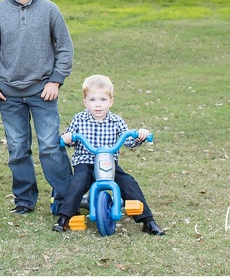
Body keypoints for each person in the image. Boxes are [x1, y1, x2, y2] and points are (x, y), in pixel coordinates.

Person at [0, 0, 75, 215]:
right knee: (17, 148)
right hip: (9, 94)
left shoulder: (49, 10)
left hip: (43, 92)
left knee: (49, 145)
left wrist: (56, 80)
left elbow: (65, 49)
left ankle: (65, 196)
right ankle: (24, 198)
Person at [57, 74, 165, 235]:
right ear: (85, 102)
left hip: (109, 165)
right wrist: (67, 138)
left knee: (128, 182)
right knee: (78, 182)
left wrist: (139, 136)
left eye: (103, 100)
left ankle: (148, 221)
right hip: (85, 162)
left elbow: (128, 140)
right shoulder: (79, 119)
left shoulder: (116, 121)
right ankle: (64, 218)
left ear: (111, 101)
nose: (98, 105)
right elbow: (70, 138)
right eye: (93, 100)